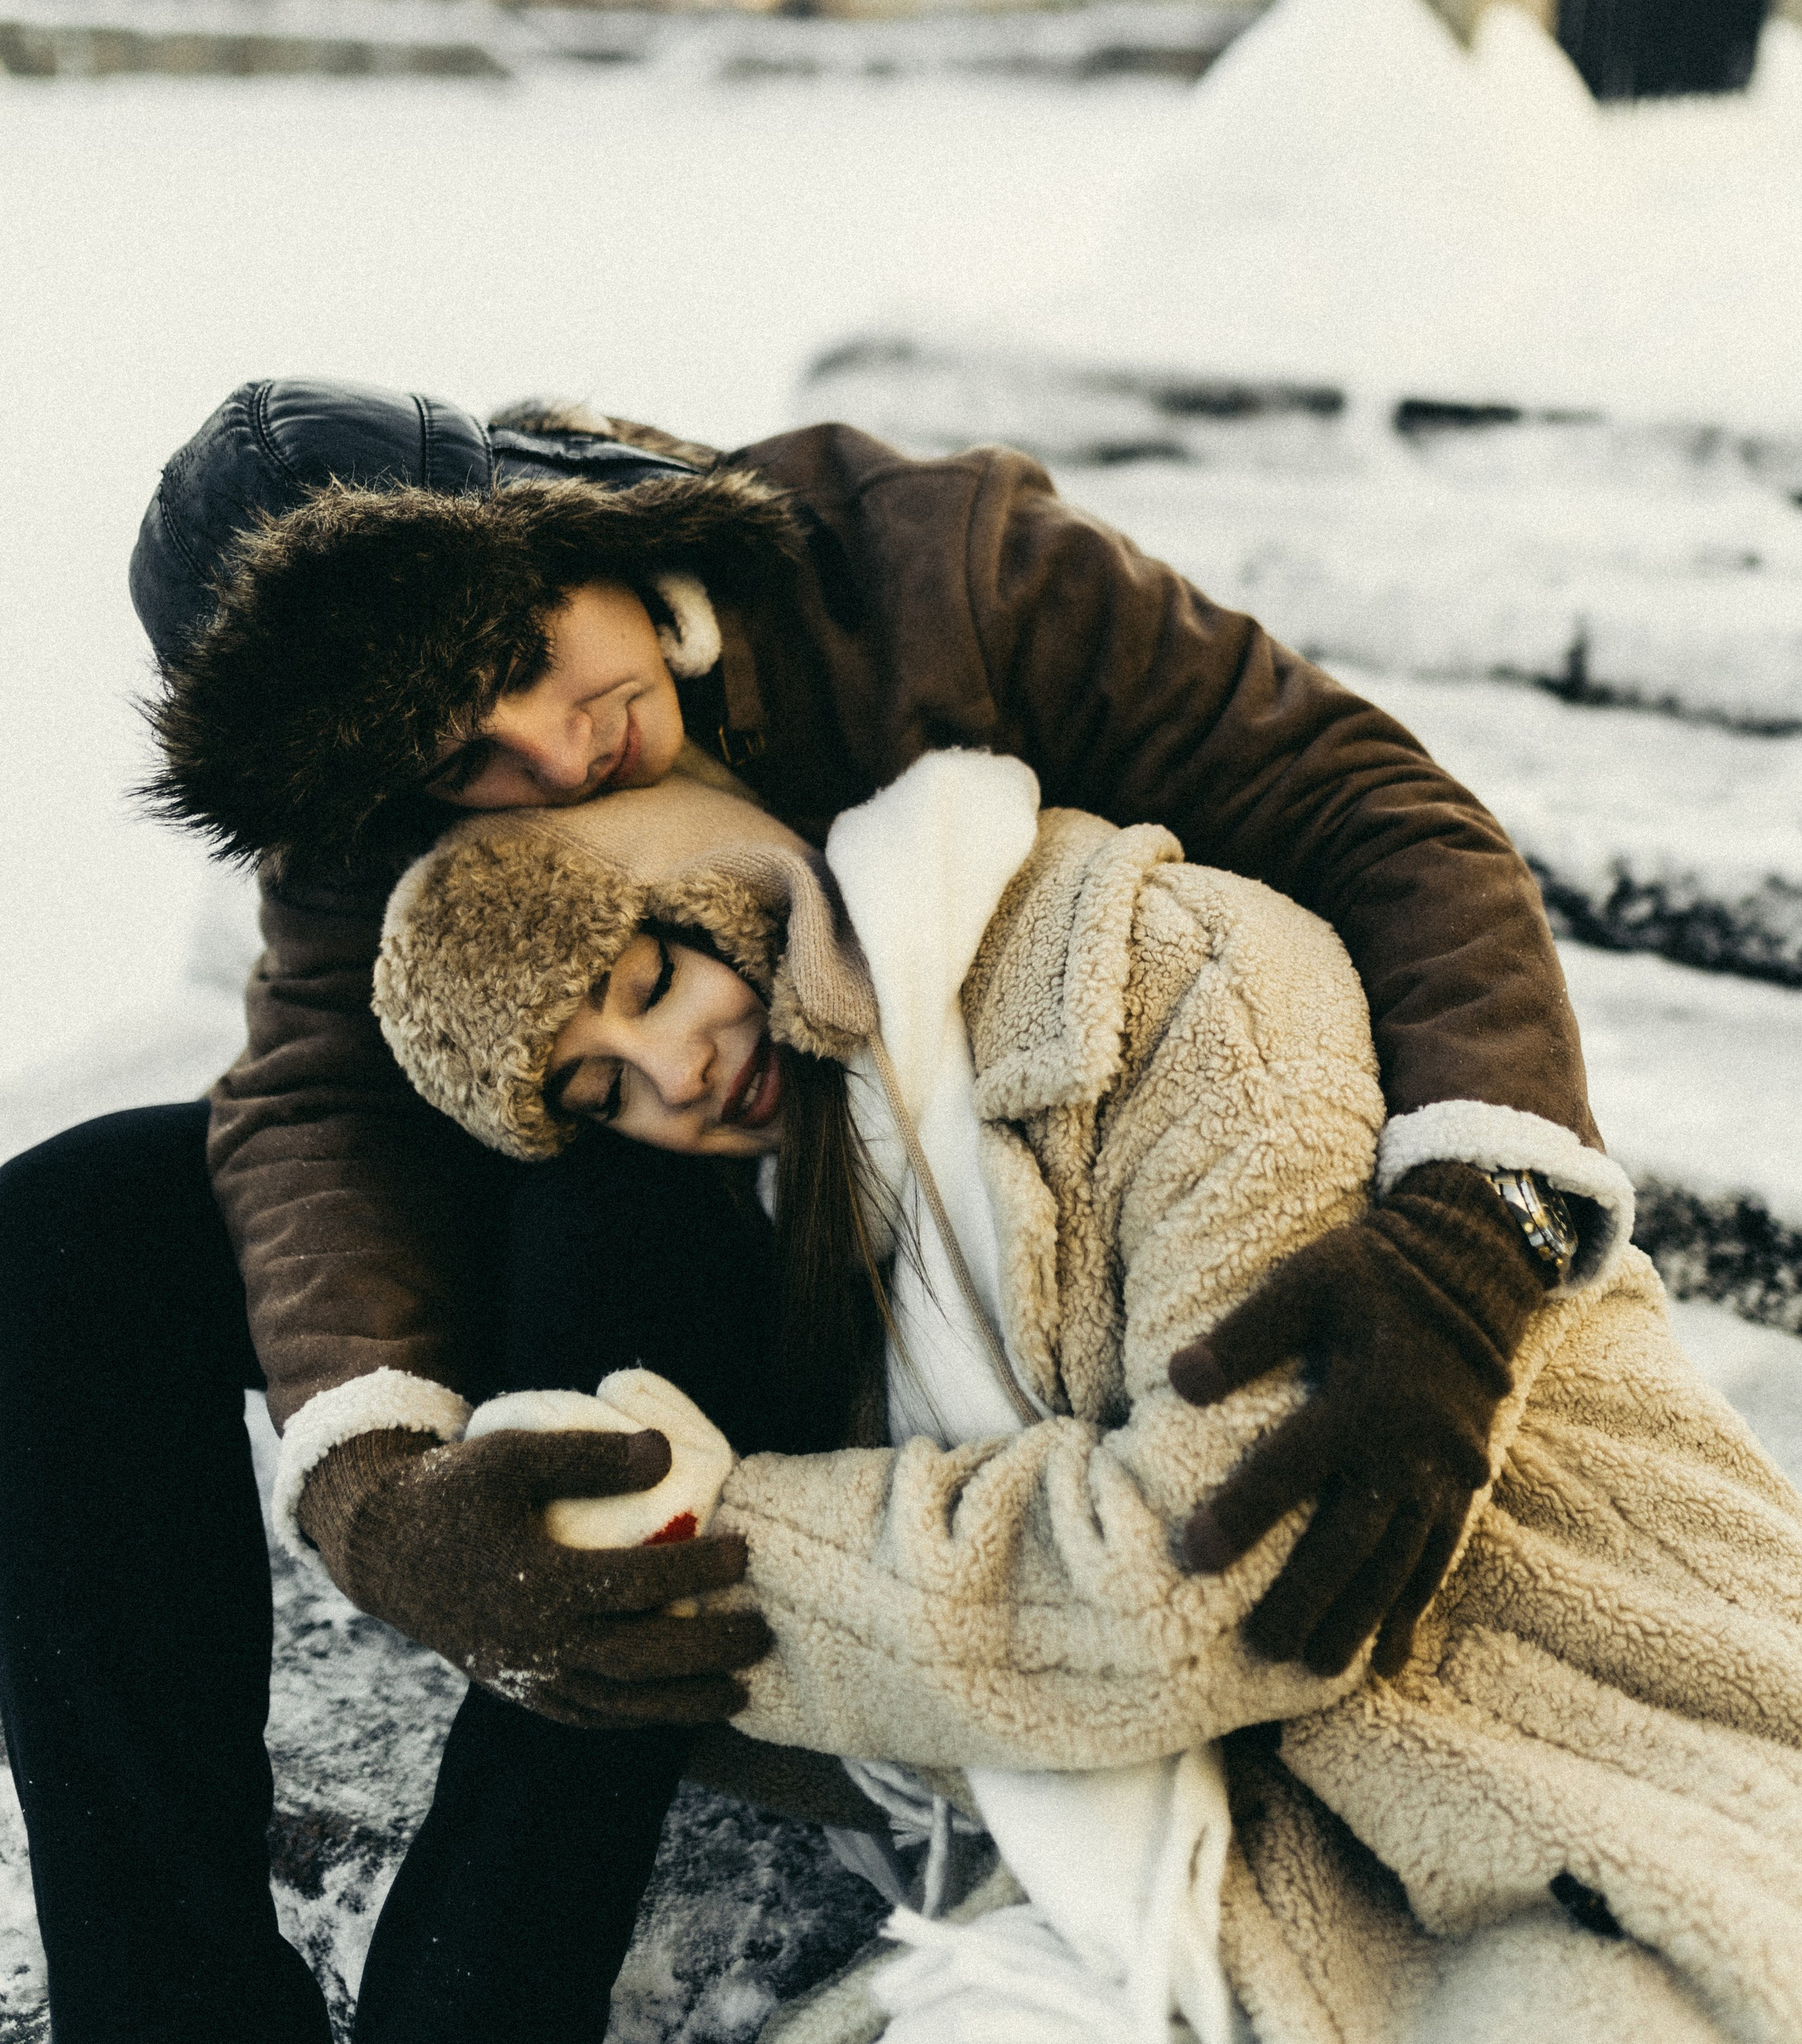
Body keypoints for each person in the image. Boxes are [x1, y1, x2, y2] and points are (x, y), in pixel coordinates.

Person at [0, 375, 1608, 2040]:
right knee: (62, 1234)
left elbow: (1371, 808)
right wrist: (381, 1492)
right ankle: (164, 2002)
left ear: (556, 516)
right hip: (669, 1219)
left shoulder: (929, 575)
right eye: (466, 758)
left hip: (960, 1252)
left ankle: (481, 1997)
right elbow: (314, 1101)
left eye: (519, 665)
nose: (551, 752)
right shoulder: (375, 790)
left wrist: (1483, 1208)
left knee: (612, 1222)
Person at [355, 750, 1802, 2043]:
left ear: (714, 889)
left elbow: (1227, 1570)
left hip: (1580, 1708)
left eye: (655, 985)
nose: (677, 1072)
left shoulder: (1167, 973)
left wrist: (678, 1551)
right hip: (1264, 1824)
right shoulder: (810, 1203)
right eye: (602, 1095)